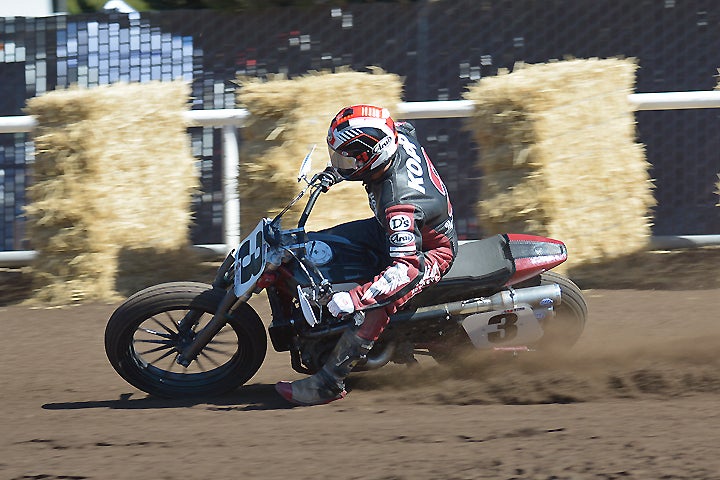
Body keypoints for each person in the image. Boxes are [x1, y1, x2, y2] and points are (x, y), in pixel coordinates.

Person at [275, 104, 458, 406]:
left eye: (346, 158)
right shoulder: (398, 134)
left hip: (430, 251)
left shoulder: (400, 204)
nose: (340, 163)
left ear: (374, 156)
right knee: (325, 242)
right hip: (393, 229)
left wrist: (355, 299)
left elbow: (405, 271)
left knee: (377, 303)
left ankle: (330, 382)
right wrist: (335, 172)